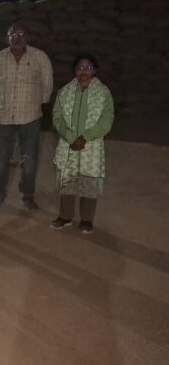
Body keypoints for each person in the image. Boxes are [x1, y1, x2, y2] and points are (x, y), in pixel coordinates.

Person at [0, 22, 53, 210]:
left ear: (27, 37)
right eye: (13, 34)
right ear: (7, 37)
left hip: (30, 117)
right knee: (1, 158)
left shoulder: (39, 57)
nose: (17, 38)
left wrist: (38, 103)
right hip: (3, 117)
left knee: (29, 159)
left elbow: (47, 84)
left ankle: (27, 195)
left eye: (21, 34)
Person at [50, 54, 113, 234]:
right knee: (67, 180)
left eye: (88, 68)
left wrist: (85, 137)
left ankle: (86, 219)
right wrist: (71, 138)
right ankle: (65, 216)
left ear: (95, 70)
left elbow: (107, 120)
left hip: (91, 145)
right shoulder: (65, 92)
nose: (83, 71)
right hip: (68, 144)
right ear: (75, 71)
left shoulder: (103, 93)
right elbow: (57, 118)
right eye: (80, 68)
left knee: (89, 181)